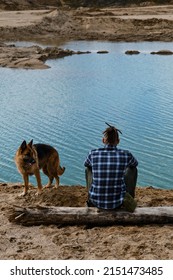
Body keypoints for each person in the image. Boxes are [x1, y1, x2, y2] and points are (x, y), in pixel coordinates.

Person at [84, 123, 138, 210]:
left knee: (88, 168)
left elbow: (86, 164)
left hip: (96, 202)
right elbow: (135, 164)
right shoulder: (126, 154)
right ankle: (129, 197)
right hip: (118, 203)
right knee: (133, 169)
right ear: (118, 141)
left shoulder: (92, 153)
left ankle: (90, 197)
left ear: (103, 140)